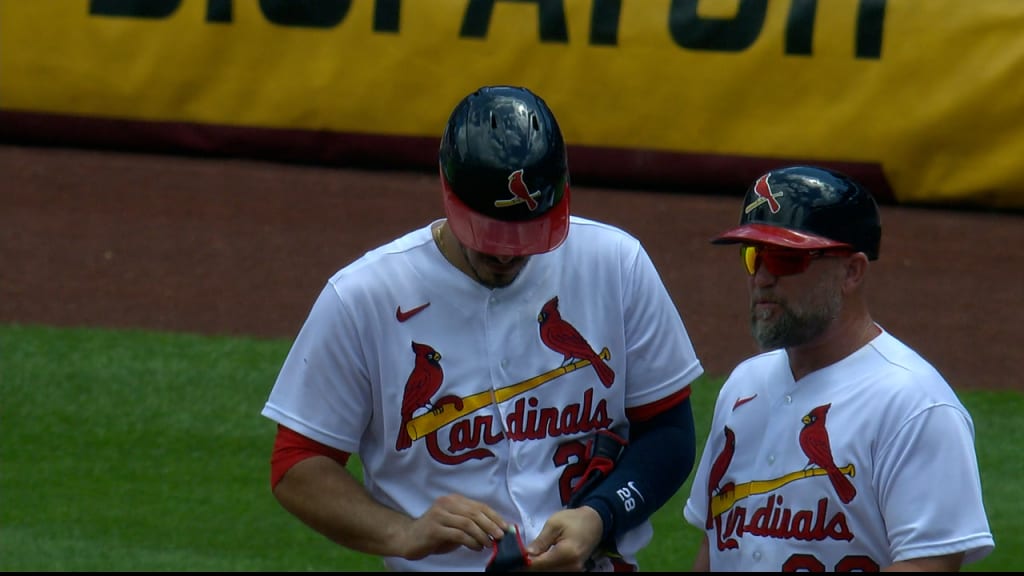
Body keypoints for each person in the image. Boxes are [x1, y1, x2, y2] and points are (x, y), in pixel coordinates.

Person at [260, 85, 704, 571]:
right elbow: (298, 464)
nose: (507, 253)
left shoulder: (615, 265)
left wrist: (602, 514)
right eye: (489, 235)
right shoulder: (363, 298)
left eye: (527, 234)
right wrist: (402, 532)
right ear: (448, 192)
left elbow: (669, 431)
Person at [682, 165, 994, 571]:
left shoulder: (915, 406)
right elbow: (715, 548)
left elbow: (927, 565)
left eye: (784, 258)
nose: (762, 277)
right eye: (753, 256)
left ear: (852, 271)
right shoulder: (744, 385)